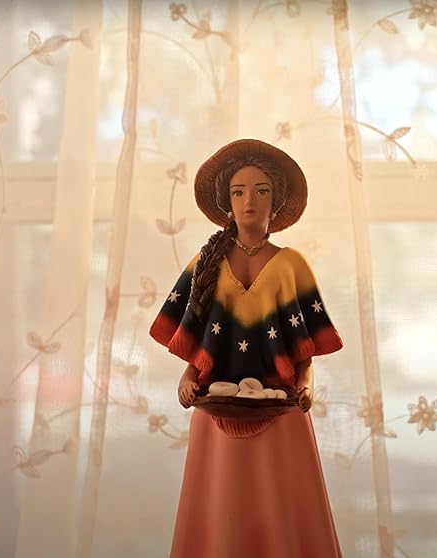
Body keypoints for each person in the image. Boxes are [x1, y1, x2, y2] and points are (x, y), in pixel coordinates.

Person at [149, 139, 344, 558]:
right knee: (220, 503)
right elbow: (193, 331)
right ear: (227, 203)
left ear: (276, 201)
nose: (249, 201)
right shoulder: (206, 262)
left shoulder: (292, 264)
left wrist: (307, 383)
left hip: (283, 406)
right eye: (238, 192)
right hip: (215, 406)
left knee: (281, 502)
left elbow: (305, 347)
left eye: (261, 191)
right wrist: (187, 376)